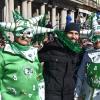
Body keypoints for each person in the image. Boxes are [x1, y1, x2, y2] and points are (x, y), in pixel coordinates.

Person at [0, 10, 54, 100]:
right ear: (13, 32)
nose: (24, 36)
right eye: (20, 32)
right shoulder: (4, 54)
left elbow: (39, 78)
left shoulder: (33, 53)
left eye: (28, 33)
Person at [38, 23, 83, 100]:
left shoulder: (77, 51)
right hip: (52, 93)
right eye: (70, 33)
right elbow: (35, 60)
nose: (73, 36)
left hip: (69, 94)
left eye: (76, 34)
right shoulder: (52, 47)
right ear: (65, 34)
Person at [74, 34, 100, 100]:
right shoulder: (87, 54)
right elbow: (80, 74)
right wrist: (76, 94)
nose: (97, 44)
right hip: (88, 89)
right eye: (95, 42)